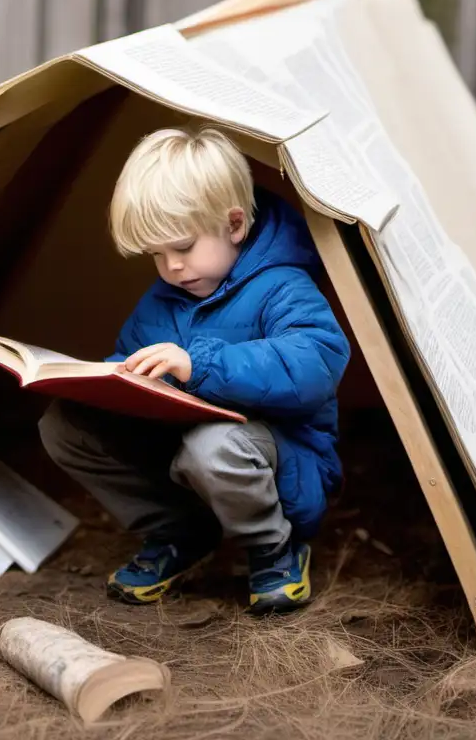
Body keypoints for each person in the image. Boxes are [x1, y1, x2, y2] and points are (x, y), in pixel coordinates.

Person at [38, 126, 351, 614]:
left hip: (286, 463)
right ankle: (178, 533)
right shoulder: (164, 299)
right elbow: (132, 365)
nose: (171, 268)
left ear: (234, 225)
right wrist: (103, 381)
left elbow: (316, 364)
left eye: (182, 248)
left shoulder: (283, 284)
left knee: (213, 447)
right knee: (63, 426)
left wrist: (198, 364)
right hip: (186, 458)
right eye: (156, 255)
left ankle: (273, 547)